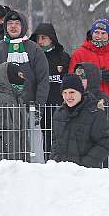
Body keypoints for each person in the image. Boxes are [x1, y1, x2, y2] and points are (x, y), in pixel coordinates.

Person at [69, 19, 109, 171]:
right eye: (96, 32)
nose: (99, 36)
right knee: (94, 156)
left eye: (103, 33)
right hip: (89, 110)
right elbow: (72, 80)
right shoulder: (79, 54)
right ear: (91, 34)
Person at [0, 10, 50, 112]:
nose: (13, 26)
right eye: (10, 23)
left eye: (17, 23)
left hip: (26, 110)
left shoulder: (35, 50)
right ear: (5, 26)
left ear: (23, 25)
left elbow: (43, 81)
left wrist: (37, 108)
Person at [50, 73, 109, 168]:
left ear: (80, 92)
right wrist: (54, 160)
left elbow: (105, 141)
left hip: (85, 174)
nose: (68, 97)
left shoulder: (94, 113)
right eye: (65, 93)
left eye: (72, 92)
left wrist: (86, 164)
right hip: (62, 172)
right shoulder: (59, 114)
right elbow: (56, 141)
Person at [73, 61, 109, 168]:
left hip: (98, 157)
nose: (79, 82)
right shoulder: (72, 100)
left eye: (83, 78)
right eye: (76, 78)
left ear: (92, 79)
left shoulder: (104, 102)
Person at [29, 22, 71, 160]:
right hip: (42, 105)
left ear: (51, 38)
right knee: (46, 137)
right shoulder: (32, 57)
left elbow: (70, 80)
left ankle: (64, 164)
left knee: (63, 137)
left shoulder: (63, 57)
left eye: (43, 38)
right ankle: (49, 163)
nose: (40, 42)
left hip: (60, 105)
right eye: (37, 38)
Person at [0, 62, 31, 162]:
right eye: (19, 75)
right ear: (9, 77)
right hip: (4, 164)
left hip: (20, 162)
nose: (23, 79)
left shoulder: (19, 100)